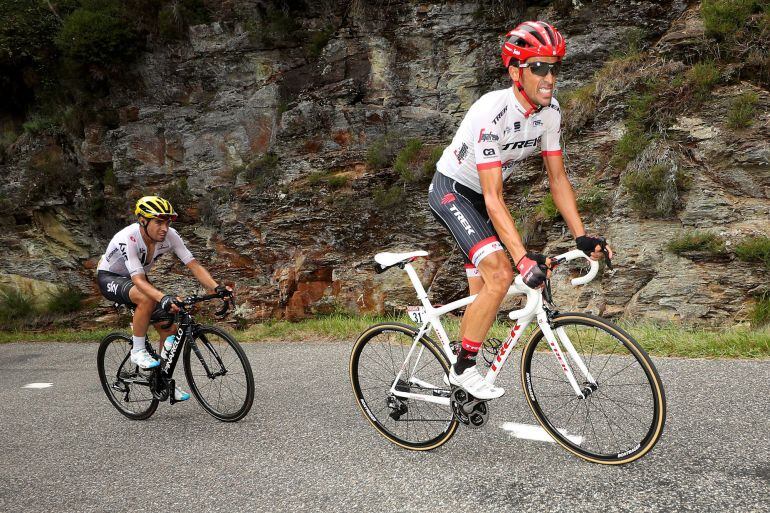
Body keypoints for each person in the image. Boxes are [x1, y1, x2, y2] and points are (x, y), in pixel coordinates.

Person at [428, 21, 613, 400]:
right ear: (516, 72)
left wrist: (582, 236)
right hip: (454, 192)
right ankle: (461, 370)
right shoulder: (491, 113)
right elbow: (494, 198)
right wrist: (521, 258)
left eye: (554, 67)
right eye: (538, 68)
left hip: (485, 198)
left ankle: (461, 394)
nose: (549, 77)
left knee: (485, 296)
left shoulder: (550, 112)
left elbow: (558, 179)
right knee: (500, 275)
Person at [96, 195, 232, 401]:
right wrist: (163, 297)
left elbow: (193, 265)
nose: (164, 228)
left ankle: (161, 381)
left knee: (169, 327)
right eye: (158, 222)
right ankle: (138, 350)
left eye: (167, 223)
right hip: (111, 277)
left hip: (137, 280)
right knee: (147, 298)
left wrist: (216, 287)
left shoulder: (171, 236)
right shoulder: (129, 237)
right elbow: (140, 281)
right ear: (143, 220)